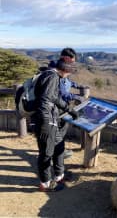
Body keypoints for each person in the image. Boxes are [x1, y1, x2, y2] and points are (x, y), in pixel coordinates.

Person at [33, 58, 79, 192]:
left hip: (51, 118)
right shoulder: (52, 77)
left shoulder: (49, 75)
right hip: (46, 119)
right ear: (65, 70)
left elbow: (53, 96)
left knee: (59, 147)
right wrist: (68, 109)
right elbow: (49, 97)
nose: (69, 75)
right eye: (69, 72)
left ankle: (59, 176)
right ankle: (45, 183)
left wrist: (68, 110)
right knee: (46, 153)